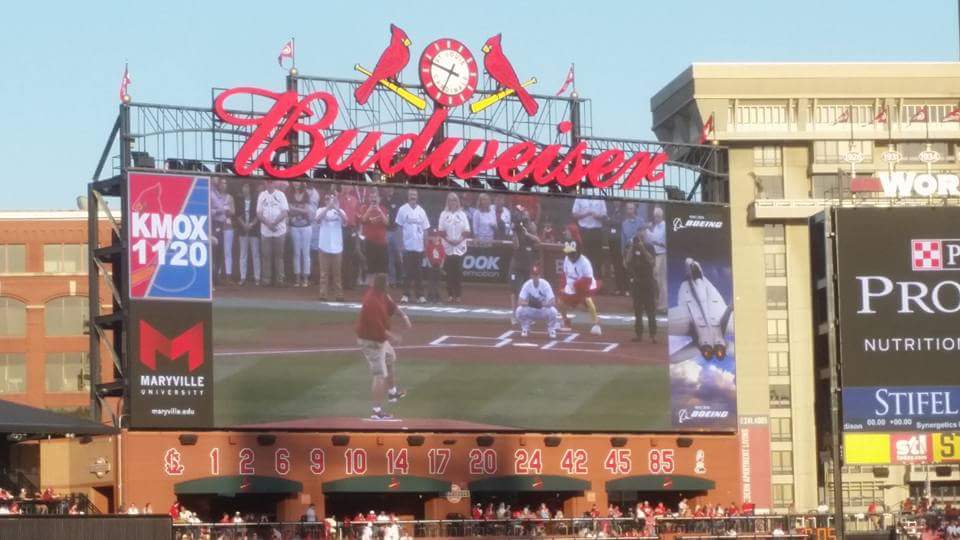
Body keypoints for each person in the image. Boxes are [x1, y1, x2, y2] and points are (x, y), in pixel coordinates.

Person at [356, 273, 412, 419]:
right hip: (371, 341)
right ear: (382, 285)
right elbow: (377, 328)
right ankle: (376, 412)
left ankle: (392, 393)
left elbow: (392, 306)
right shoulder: (371, 302)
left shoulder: (382, 295)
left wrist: (404, 317)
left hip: (379, 339)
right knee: (379, 375)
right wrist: (394, 336)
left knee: (390, 358)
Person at [558, 241, 602, 335]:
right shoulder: (567, 259)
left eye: (572, 254)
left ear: (577, 253)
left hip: (585, 284)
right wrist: (563, 286)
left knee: (587, 300)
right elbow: (564, 274)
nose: (569, 256)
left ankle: (596, 323)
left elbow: (588, 279)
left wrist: (577, 287)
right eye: (568, 254)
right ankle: (566, 322)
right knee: (560, 302)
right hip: (571, 284)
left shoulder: (585, 262)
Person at [395, 189, 430, 303]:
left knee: (418, 272)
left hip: (419, 247)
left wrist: (425, 246)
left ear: (417, 197)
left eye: (414, 195)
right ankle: (406, 295)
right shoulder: (402, 209)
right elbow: (399, 228)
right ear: (408, 196)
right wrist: (400, 245)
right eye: (411, 195)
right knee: (407, 272)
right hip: (407, 246)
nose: (413, 197)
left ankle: (420, 295)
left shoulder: (422, 211)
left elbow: (425, 230)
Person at [508, 208, 541, 326]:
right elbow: (515, 246)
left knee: (528, 291)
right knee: (515, 291)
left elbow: (538, 241)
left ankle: (527, 316)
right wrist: (515, 232)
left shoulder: (531, 228)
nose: (525, 220)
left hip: (528, 265)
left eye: (526, 218)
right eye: (524, 218)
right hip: (516, 265)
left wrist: (528, 234)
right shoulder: (517, 229)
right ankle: (514, 315)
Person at [437, 192, 470, 303]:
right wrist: (449, 240)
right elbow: (441, 231)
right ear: (448, 201)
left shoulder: (462, 214)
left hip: (460, 247)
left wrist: (459, 240)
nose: (453, 202)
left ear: (458, 201)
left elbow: (467, 230)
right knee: (449, 273)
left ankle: (458, 296)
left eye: (455, 200)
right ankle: (450, 295)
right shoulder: (443, 214)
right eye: (451, 200)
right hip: (447, 247)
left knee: (458, 273)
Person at [625, 234, 657, 342]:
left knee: (650, 310)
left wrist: (642, 249)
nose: (638, 242)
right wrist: (632, 248)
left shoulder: (649, 247)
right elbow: (627, 262)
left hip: (648, 282)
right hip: (637, 283)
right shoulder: (632, 248)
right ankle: (639, 334)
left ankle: (653, 335)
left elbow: (652, 262)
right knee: (637, 310)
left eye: (640, 240)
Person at [316, 191, 347, 301]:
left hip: (337, 247)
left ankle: (339, 294)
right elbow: (317, 219)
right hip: (324, 246)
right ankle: (323, 294)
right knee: (324, 273)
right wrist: (327, 208)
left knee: (337, 273)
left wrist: (337, 209)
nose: (329, 201)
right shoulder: (320, 210)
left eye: (331, 199)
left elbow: (346, 221)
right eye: (327, 199)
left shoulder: (340, 211)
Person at [258, 181, 290, 286]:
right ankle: (266, 280)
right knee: (266, 256)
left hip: (279, 230)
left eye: (271, 182)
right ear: (265, 183)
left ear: (274, 184)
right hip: (265, 231)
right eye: (267, 182)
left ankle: (280, 280)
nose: (269, 184)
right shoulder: (262, 195)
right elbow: (259, 213)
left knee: (279, 256)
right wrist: (268, 224)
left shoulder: (281, 195)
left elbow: (285, 212)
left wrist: (274, 223)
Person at [515, 265, 559, 338]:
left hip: (542, 309)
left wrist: (541, 304)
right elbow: (519, 301)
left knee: (553, 311)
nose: (535, 277)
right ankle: (525, 327)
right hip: (531, 309)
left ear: (539, 275)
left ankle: (552, 329)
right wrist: (530, 303)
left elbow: (553, 302)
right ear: (531, 276)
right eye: (533, 275)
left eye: (537, 275)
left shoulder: (545, 284)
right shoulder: (527, 284)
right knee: (519, 311)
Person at [571, 196, 607, 281]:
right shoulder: (579, 197)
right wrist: (586, 214)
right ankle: (583, 282)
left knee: (597, 257)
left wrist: (597, 216)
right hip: (583, 230)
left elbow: (604, 216)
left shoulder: (600, 197)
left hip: (596, 230)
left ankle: (596, 282)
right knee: (583, 256)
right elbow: (574, 215)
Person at [289, 182, 318, 288]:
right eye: (294, 182)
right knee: (296, 253)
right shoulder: (290, 194)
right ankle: (297, 279)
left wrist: (295, 209)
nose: (296, 184)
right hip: (294, 227)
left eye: (298, 181)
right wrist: (299, 210)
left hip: (306, 227)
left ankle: (305, 279)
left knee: (306, 253)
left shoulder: (306, 194)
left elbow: (307, 211)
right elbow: (289, 210)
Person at [359, 189, 390, 283]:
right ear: (369, 198)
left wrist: (379, 210)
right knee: (370, 269)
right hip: (370, 242)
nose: (373, 199)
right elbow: (363, 220)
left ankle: (381, 289)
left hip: (382, 243)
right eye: (371, 197)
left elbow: (387, 223)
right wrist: (370, 209)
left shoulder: (384, 209)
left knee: (382, 269)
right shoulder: (364, 208)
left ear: (379, 199)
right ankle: (370, 289)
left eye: (375, 197)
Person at [235, 181, 261, 286]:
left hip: (253, 230)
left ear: (250, 188)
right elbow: (237, 215)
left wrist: (251, 225)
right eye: (243, 187)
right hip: (242, 230)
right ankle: (242, 277)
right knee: (243, 254)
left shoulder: (255, 200)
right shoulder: (239, 200)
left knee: (255, 254)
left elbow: (258, 215)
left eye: (246, 186)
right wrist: (244, 225)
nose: (245, 189)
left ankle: (257, 278)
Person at [211, 178, 235, 285]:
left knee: (227, 251)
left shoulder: (230, 197)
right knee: (217, 250)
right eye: (222, 183)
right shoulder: (214, 195)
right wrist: (220, 210)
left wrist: (227, 210)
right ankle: (217, 274)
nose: (223, 185)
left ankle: (228, 274)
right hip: (217, 225)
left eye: (225, 183)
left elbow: (233, 212)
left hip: (228, 225)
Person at [644, 206, 667, 311]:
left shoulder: (665, 226)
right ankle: (657, 302)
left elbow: (659, 240)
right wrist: (647, 230)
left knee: (661, 281)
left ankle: (663, 305)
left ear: (661, 216)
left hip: (662, 255)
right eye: (654, 217)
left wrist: (650, 233)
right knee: (656, 280)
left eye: (658, 217)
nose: (656, 219)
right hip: (654, 254)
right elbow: (649, 239)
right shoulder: (655, 226)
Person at [425, 230, 445, 303]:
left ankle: (438, 297)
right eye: (433, 236)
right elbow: (427, 255)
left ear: (439, 237)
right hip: (431, 266)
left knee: (438, 283)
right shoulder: (429, 246)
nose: (435, 238)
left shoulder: (441, 246)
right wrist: (429, 264)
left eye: (436, 236)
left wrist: (441, 265)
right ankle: (430, 297)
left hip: (438, 266)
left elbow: (443, 257)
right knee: (431, 282)